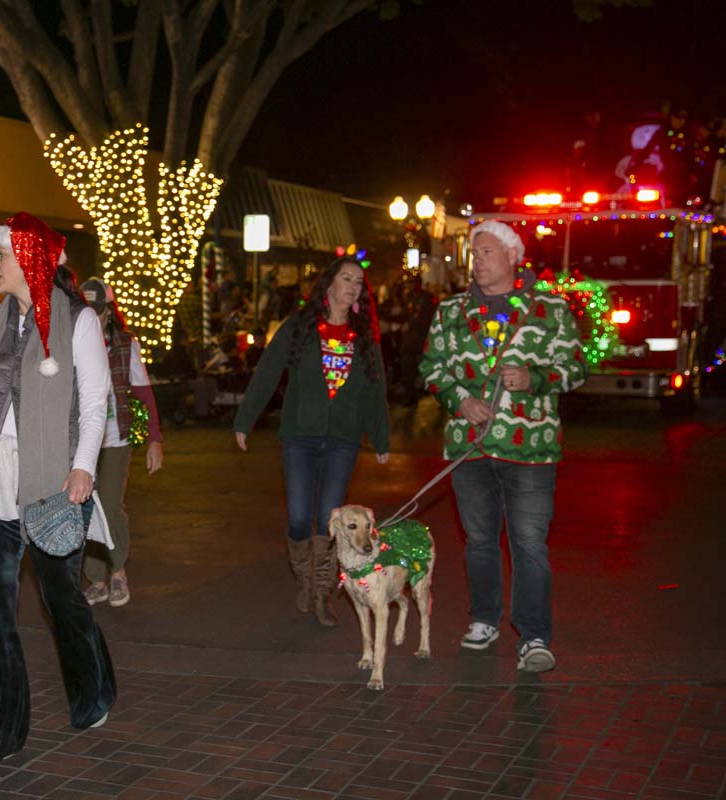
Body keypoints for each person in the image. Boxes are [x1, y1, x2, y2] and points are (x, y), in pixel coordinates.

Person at [0, 212, 115, 773]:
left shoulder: (79, 322)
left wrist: (83, 468)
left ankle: (93, 691)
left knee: (61, 600)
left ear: (29, 260)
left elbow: (95, 404)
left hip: (51, 482)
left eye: (1, 255)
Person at [419, 220, 587, 673]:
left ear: (514, 256)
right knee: (478, 541)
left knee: (529, 542)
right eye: (475, 253)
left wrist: (536, 378)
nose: (477, 260)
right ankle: (484, 619)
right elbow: (431, 368)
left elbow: (576, 366)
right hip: (469, 448)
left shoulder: (549, 308)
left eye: (487, 251)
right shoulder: (451, 310)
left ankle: (533, 636)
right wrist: (461, 400)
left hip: (529, 449)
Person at [234, 256, 391, 626]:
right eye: (346, 278)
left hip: (343, 439)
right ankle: (304, 580)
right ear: (330, 284)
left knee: (328, 518)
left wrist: (381, 437)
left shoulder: (364, 336)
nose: (352, 286)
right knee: (300, 516)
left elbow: (375, 388)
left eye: (358, 282)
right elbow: (269, 369)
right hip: (300, 437)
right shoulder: (302, 326)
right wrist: (245, 419)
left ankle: (322, 594)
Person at [79, 278, 163, 608]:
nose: (92, 317)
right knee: (84, 508)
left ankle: (117, 571)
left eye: (97, 311)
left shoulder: (125, 344)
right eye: (86, 310)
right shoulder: (70, 341)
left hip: (114, 438)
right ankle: (96, 578)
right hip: (81, 440)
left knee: (110, 505)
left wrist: (155, 439)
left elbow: (143, 392)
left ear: (109, 312)